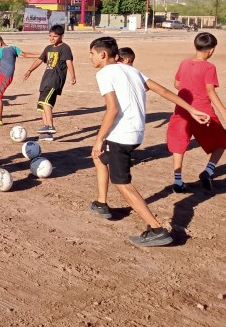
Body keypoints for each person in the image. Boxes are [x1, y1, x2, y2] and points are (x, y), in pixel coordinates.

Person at [87, 36, 210, 247]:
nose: (90, 58)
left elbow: (112, 109)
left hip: (121, 135)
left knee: (122, 183)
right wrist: (191, 109)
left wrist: (99, 139)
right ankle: (101, 203)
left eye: (91, 54)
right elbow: (162, 90)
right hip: (136, 133)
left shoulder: (104, 73)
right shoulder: (132, 70)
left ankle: (156, 229)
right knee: (100, 158)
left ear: (102, 54)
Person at [167, 32, 226, 193]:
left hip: (183, 108)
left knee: (179, 144)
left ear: (195, 46)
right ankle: (208, 171)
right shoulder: (209, 67)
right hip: (202, 111)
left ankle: (178, 181)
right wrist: (223, 112)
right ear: (212, 50)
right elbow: (210, 91)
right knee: (222, 141)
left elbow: (176, 84)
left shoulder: (185, 63)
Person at [22, 24, 76, 137]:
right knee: (41, 105)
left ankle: (50, 126)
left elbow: (69, 62)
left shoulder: (65, 48)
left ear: (62, 36)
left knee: (46, 102)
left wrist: (73, 76)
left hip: (55, 80)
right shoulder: (48, 48)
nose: (52, 38)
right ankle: (47, 131)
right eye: (50, 36)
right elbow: (39, 60)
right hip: (46, 79)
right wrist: (29, 70)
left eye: (55, 36)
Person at [0, 35, 38, 127]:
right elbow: (25, 54)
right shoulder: (14, 48)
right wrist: (41, 55)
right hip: (1, 73)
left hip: (4, 76)